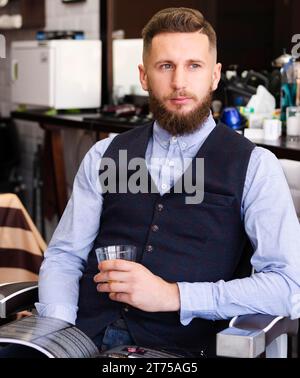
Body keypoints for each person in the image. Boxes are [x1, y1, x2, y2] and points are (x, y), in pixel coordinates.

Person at [36, 8, 300, 358]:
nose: (179, 82)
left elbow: (288, 287)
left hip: (180, 352)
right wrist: (58, 336)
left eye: (194, 66)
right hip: (85, 337)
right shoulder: (105, 155)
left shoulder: (254, 166)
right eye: (165, 66)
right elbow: (64, 257)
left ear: (215, 75)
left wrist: (174, 295)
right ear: (144, 76)